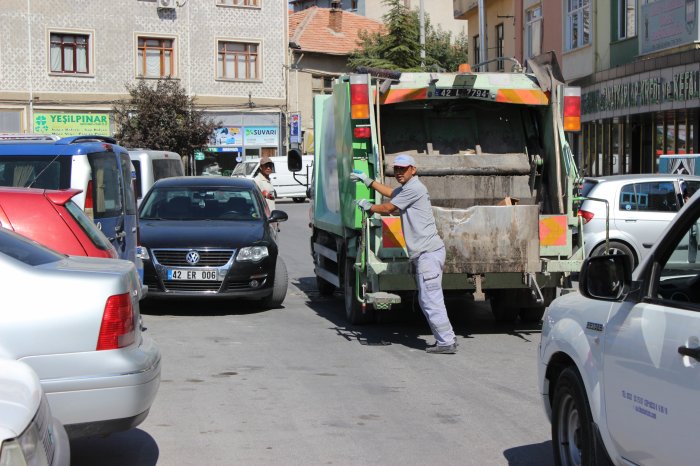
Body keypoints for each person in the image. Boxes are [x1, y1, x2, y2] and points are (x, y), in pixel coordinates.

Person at [350, 154, 458, 354]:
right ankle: (447, 338)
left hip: (428, 254)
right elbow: (391, 193)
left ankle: (446, 342)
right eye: (396, 169)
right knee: (429, 298)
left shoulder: (415, 189)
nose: (398, 172)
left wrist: (370, 207)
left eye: (403, 169)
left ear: (413, 170)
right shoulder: (408, 188)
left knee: (430, 299)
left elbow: (389, 207)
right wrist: (369, 181)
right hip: (427, 253)